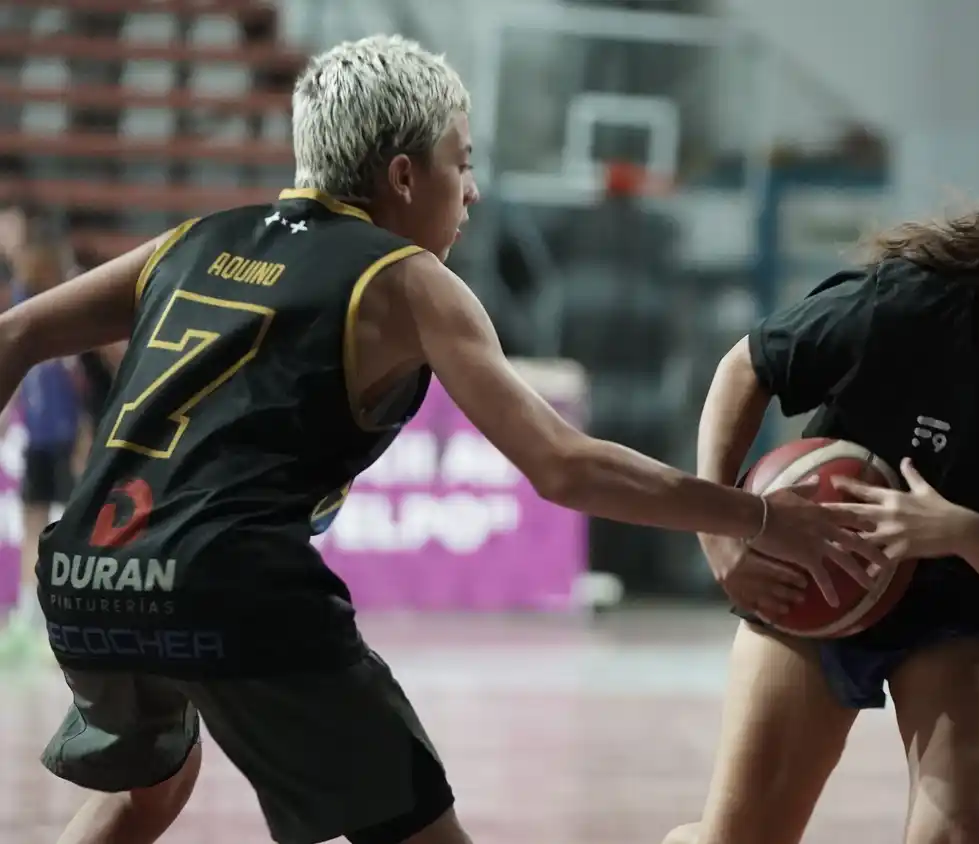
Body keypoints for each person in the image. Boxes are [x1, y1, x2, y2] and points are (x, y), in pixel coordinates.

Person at [7, 35, 882, 844]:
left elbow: (12, 337)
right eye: (461, 164)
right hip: (228, 584)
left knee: (149, 783)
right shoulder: (406, 278)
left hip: (86, 579)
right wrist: (756, 516)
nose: (471, 191)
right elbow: (564, 465)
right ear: (401, 175)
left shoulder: (194, 241)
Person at [660, 141, 979, 844]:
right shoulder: (906, 305)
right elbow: (745, 368)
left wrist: (959, 531)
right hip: (830, 566)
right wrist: (724, 535)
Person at [0, 208, 85, 661]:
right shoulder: (18, 301)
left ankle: (68, 613)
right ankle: (30, 616)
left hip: (65, 436)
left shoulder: (67, 312)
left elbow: (83, 386)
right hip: (35, 437)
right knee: (33, 518)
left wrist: (86, 437)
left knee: (69, 524)